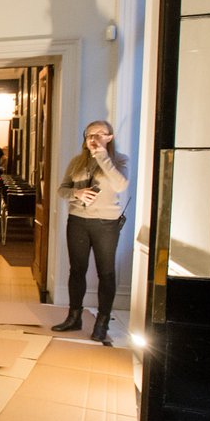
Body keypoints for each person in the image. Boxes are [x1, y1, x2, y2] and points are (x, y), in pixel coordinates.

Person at [50, 120, 128, 344]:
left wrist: (102, 156)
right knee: (77, 270)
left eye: (98, 134)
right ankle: (74, 317)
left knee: (106, 272)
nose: (93, 139)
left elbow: (121, 184)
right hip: (78, 221)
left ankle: (102, 322)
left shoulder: (120, 159)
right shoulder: (77, 161)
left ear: (109, 137)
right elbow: (61, 189)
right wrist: (77, 193)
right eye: (89, 135)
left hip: (106, 223)